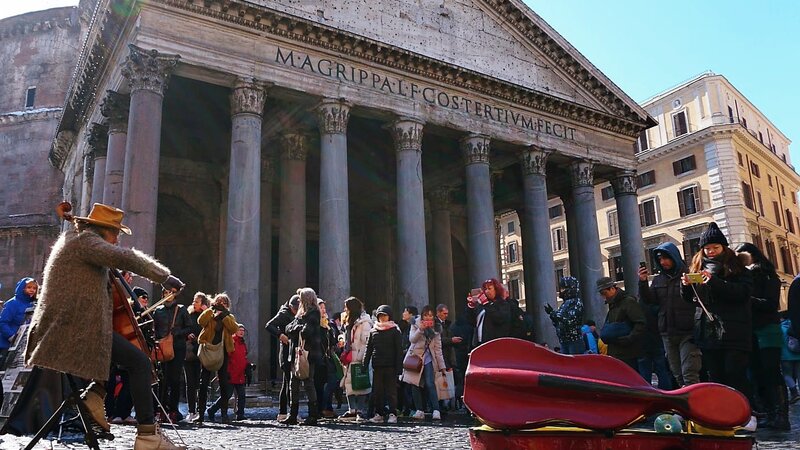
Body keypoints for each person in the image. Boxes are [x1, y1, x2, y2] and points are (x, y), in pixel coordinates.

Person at [23, 203, 186, 449]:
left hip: (72, 327)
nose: (117, 237)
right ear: (102, 229)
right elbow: (126, 257)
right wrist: (164, 276)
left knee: (122, 355)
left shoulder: (78, 241)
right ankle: (147, 436)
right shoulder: (86, 242)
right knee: (139, 361)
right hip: (72, 329)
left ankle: (95, 396)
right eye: (115, 231)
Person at [681, 222, 752, 400]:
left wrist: (713, 281)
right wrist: (686, 287)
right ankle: (722, 415)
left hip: (734, 330)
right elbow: (691, 300)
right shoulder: (697, 267)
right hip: (708, 331)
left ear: (724, 248)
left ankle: (743, 412)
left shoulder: (737, 268)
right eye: (707, 248)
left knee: (734, 374)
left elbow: (742, 293)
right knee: (715, 376)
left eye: (715, 247)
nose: (711, 251)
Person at [734, 242, 788, 430]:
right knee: (758, 373)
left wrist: (747, 299)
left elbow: (771, 303)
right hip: (753, 331)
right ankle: (770, 413)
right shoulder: (744, 276)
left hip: (767, 329)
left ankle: (780, 415)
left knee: (771, 372)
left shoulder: (766, 275)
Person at [639, 243, 700, 387]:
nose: (662, 262)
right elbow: (649, 300)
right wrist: (642, 282)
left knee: (689, 372)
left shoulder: (689, 275)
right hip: (667, 332)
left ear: (674, 257)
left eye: (666, 258)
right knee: (677, 373)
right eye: (660, 259)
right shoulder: (658, 280)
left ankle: (695, 404)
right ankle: (685, 403)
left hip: (688, 332)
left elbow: (700, 296)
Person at [280, 287, 322, 426]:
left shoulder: (314, 313)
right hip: (296, 353)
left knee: (309, 383)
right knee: (293, 384)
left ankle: (313, 415)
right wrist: (296, 328)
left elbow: (306, 332)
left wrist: (296, 328)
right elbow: (287, 328)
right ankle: (293, 414)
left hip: (308, 354)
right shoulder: (300, 314)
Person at [195, 293, 239, 424]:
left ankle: (224, 414)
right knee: (204, 383)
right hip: (208, 350)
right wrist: (211, 310)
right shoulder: (209, 313)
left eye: (224, 303)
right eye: (219, 302)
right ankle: (201, 413)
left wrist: (224, 315)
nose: (221, 305)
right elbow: (201, 322)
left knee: (224, 383)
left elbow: (234, 329)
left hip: (223, 352)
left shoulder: (229, 317)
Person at [401, 305, 447, 421]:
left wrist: (442, 366)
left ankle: (436, 410)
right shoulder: (415, 324)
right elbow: (412, 339)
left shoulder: (436, 328)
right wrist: (420, 329)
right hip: (416, 357)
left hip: (429, 358)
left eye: (430, 315)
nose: (428, 318)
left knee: (430, 383)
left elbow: (438, 349)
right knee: (414, 383)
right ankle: (419, 410)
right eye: (426, 315)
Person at [152, 289, 192, 423]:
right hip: (163, 348)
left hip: (177, 348)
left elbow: (189, 328)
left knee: (175, 379)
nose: (168, 295)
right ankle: (162, 409)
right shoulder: (158, 311)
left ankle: (174, 410)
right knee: (163, 380)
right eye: (165, 292)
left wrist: (178, 332)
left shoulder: (181, 310)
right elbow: (154, 329)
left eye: (171, 292)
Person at [596, 277, 646, 371]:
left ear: (612, 289)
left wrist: (629, 338)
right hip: (616, 351)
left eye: (604, 293)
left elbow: (640, 323)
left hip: (628, 352)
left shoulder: (628, 302)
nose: (604, 297)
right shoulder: (613, 303)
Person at [364, 305, 402, 424]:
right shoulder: (373, 330)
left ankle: (392, 413)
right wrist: (365, 363)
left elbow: (398, 351)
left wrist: (399, 368)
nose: (382, 318)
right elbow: (368, 348)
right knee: (377, 392)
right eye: (380, 316)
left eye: (384, 315)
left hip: (390, 365)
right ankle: (379, 413)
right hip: (377, 365)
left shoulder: (395, 331)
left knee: (391, 392)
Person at [338, 297, 373, 422]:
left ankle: (361, 410)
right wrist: (342, 340)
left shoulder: (365, 322)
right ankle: (352, 409)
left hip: (359, 356)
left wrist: (362, 357)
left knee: (361, 384)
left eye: (346, 308)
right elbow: (345, 335)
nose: (345, 310)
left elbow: (367, 341)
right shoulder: (348, 321)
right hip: (349, 356)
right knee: (349, 384)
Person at [265, 294, 299, 421]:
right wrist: (280, 335)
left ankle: (284, 411)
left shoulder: (298, 313)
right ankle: (286, 412)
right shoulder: (284, 314)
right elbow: (269, 325)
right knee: (288, 382)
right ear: (290, 307)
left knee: (287, 382)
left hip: (294, 350)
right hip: (286, 352)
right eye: (295, 309)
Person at [466, 278, 517, 346]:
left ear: (496, 290)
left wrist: (486, 304)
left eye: (489, 289)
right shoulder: (482, 305)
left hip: (495, 343)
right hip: (479, 342)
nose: (487, 291)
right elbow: (472, 321)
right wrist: (471, 306)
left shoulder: (503, 304)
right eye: (485, 289)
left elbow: (499, 318)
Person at [184, 292, 208, 423]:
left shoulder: (208, 315)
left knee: (201, 383)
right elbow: (184, 327)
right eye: (194, 301)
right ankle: (191, 410)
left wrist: (207, 312)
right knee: (190, 383)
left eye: (197, 301)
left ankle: (201, 410)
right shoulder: (189, 314)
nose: (194, 303)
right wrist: (188, 334)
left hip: (203, 352)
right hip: (190, 352)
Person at [0, 277, 38, 362]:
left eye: (34, 288)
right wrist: (12, 336)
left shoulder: (34, 305)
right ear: (22, 288)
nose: (32, 290)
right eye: (29, 287)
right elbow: (2, 322)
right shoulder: (12, 303)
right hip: (6, 345)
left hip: (21, 345)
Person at [545, 276, 584, 354]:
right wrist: (552, 315)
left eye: (562, 288)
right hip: (564, 341)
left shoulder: (576, 302)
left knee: (573, 363)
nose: (560, 291)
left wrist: (553, 313)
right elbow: (559, 322)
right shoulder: (565, 304)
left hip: (574, 341)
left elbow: (570, 321)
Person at [435, 304, 462, 411]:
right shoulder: (437, 325)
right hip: (441, 356)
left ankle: (446, 403)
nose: (446, 316)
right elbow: (438, 341)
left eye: (447, 313)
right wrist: (451, 340)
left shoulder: (446, 324)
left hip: (447, 355)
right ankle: (441, 404)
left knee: (447, 380)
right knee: (440, 381)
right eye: (444, 313)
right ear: (438, 312)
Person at [228, 324, 250, 421]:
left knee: (242, 395)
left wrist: (248, 365)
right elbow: (229, 357)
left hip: (240, 374)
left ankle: (240, 414)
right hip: (232, 373)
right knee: (227, 395)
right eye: (239, 330)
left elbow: (243, 358)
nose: (241, 332)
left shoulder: (242, 343)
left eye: (243, 330)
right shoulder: (232, 341)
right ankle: (212, 410)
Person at [780, 313, 800, 405]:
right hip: (798, 355)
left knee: (787, 375)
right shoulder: (796, 326)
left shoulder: (780, 328)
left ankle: (794, 393)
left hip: (785, 357)